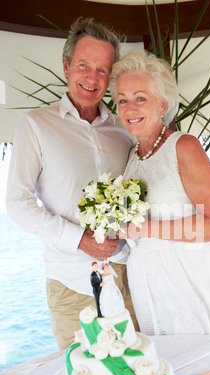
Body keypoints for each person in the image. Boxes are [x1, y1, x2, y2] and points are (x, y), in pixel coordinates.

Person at [6, 18, 138, 350]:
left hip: (130, 277)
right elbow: (17, 203)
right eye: (83, 66)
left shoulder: (127, 129)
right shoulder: (35, 125)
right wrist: (80, 239)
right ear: (66, 66)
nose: (92, 78)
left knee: (141, 374)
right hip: (70, 283)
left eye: (102, 70)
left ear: (111, 78)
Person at [109, 49, 210, 337]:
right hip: (147, 279)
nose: (130, 109)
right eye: (122, 100)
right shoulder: (133, 157)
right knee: (166, 372)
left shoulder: (183, 147)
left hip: (187, 273)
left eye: (140, 98)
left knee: (206, 368)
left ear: (162, 104)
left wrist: (144, 228)